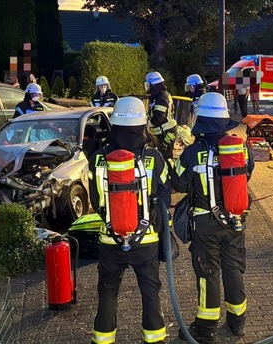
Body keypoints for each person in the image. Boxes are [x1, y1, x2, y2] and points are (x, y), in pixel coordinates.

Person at [171, 92, 254, 344]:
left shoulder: (192, 152)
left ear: (202, 120)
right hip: (235, 219)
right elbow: (248, 173)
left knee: (208, 272)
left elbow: (178, 183)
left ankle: (206, 328)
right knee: (233, 267)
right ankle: (237, 321)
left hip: (205, 223)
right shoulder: (240, 147)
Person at [88, 96, 171, 344]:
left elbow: (95, 199)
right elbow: (164, 195)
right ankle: (154, 339)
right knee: (150, 292)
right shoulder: (154, 157)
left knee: (107, 292)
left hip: (109, 240)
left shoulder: (98, 158)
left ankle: (103, 339)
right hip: (146, 241)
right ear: (143, 125)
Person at [145, 71, 178, 162]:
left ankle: (170, 171)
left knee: (166, 158)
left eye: (149, 86)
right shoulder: (160, 96)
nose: (148, 88)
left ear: (154, 85)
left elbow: (158, 117)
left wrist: (147, 123)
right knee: (161, 157)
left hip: (166, 133)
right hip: (163, 132)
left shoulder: (161, 98)